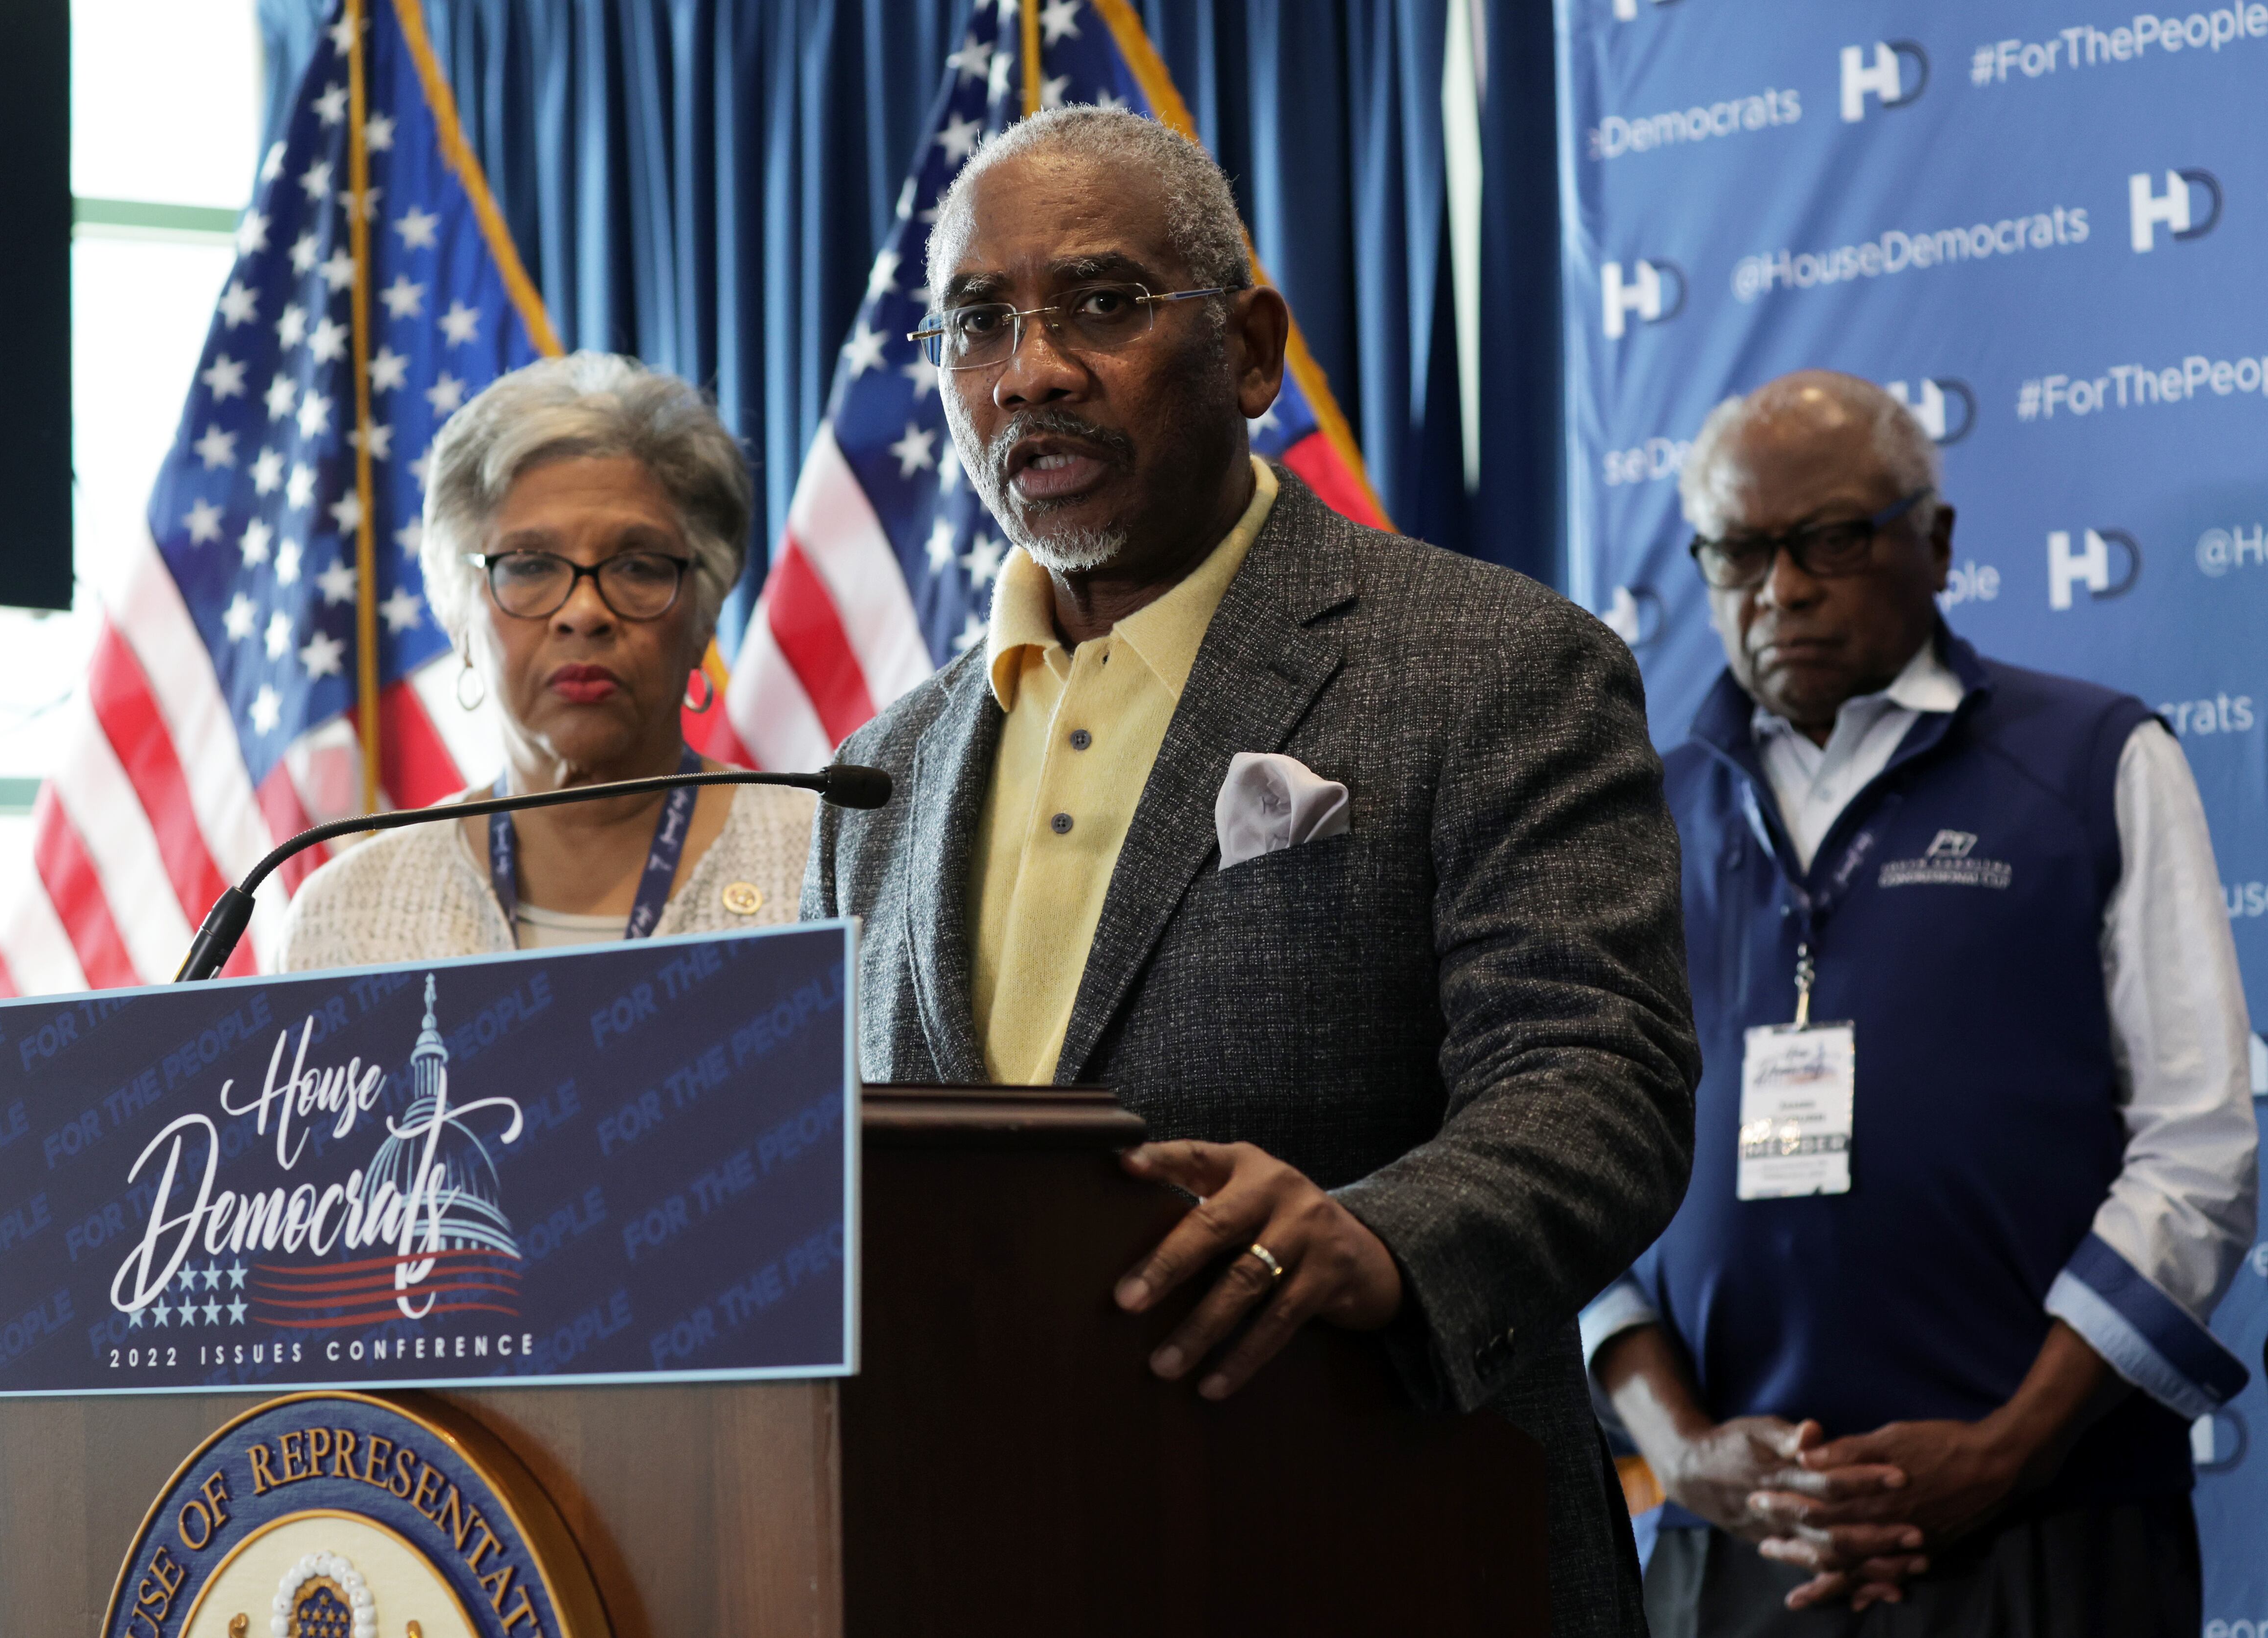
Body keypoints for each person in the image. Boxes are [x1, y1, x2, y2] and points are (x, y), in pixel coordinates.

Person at [804, 106, 1700, 1633]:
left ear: (1251, 349)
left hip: (1385, 1536)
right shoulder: (876, 768)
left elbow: (1593, 1078)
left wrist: (1383, 1232)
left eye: (1100, 303)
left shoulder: (1490, 663)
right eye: (975, 326)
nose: (1030, 371)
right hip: (979, 1555)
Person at [1587, 371, 2258, 1634]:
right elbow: (1568, 1170)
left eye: (1829, 540)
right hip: (1730, 1535)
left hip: (2049, 1521)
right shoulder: (1643, 812)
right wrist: (1676, 1449)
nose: (1779, 589)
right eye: (1735, 553)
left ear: (1935, 542)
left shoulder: (2094, 761)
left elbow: (2201, 1148)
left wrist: (2009, 1446)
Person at [280, 353, 814, 970]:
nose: (584, 612)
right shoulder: (351, 914)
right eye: (530, 566)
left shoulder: (826, 869)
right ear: (460, 622)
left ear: (703, 614)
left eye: (637, 566)